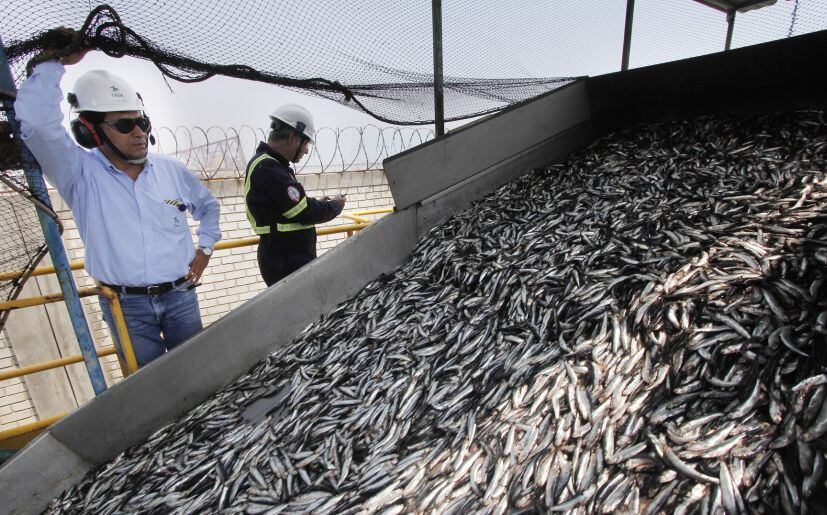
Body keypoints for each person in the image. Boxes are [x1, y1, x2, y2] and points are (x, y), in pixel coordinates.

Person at [14, 48, 221, 368]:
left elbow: (209, 207)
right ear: (90, 130)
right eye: (125, 125)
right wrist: (54, 63)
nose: (139, 132)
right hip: (125, 306)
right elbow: (37, 126)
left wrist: (205, 248)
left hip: (180, 297)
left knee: (198, 371)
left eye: (142, 122)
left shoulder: (171, 171)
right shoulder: (78, 174)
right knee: (145, 385)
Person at [244, 104, 345, 286]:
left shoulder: (269, 165)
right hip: (286, 262)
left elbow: (290, 207)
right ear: (292, 138)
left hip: (284, 258)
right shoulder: (269, 167)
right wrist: (335, 206)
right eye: (305, 144)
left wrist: (315, 203)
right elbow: (304, 212)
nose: (306, 150)